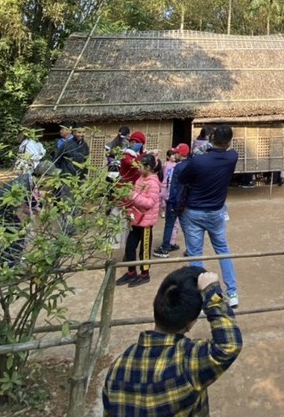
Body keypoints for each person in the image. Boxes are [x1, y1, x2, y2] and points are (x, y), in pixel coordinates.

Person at [101, 267, 242, 417]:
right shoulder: (188, 362)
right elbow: (228, 345)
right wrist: (211, 292)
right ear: (191, 323)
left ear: (156, 304)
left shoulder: (117, 368)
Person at [176, 125, 240, 307]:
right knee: (222, 250)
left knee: (195, 254)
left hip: (194, 212)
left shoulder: (199, 161)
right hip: (216, 212)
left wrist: (198, 152)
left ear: (211, 138)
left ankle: (202, 297)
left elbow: (182, 176)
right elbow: (228, 149)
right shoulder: (232, 157)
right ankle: (232, 292)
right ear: (229, 141)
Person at [118, 154, 163, 287]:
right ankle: (131, 272)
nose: (138, 168)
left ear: (148, 167)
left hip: (146, 222)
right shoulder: (141, 178)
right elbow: (136, 194)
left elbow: (149, 203)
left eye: (140, 166)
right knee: (130, 246)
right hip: (136, 218)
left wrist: (133, 195)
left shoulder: (153, 183)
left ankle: (144, 274)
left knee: (145, 249)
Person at [154, 144, 190, 259]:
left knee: (169, 224)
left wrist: (171, 201)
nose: (175, 154)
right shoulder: (191, 165)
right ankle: (191, 249)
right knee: (185, 226)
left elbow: (173, 186)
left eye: (177, 152)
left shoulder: (177, 167)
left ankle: (165, 248)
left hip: (175, 201)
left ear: (182, 154)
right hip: (185, 202)